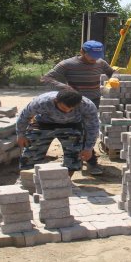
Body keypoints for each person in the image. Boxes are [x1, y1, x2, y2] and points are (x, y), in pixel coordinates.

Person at [40, 40, 114, 175]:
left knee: (89, 129)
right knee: (78, 131)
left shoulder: (101, 63)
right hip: (74, 103)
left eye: (97, 56)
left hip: (93, 101)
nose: (94, 59)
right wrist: (66, 88)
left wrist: (114, 80)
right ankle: (82, 160)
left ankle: (89, 161)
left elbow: (112, 73)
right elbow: (46, 78)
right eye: (91, 56)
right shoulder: (68, 64)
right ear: (82, 52)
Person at [16, 89, 99, 178]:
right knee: (31, 153)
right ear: (56, 101)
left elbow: (93, 126)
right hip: (44, 123)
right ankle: (27, 180)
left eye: (71, 109)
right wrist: (20, 134)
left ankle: (64, 182)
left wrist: (89, 147)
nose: (67, 111)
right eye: (63, 108)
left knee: (74, 156)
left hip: (72, 125)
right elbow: (24, 116)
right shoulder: (42, 102)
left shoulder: (86, 105)